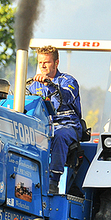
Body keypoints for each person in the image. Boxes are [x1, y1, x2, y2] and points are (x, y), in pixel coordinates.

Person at [28, 45, 83, 194]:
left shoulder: (68, 81)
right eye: (40, 63)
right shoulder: (33, 86)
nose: (43, 66)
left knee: (58, 134)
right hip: (43, 125)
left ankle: (53, 182)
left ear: (56, 63)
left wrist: (50, 85)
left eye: (47, 62)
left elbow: (65, 97)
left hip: (68, 125)